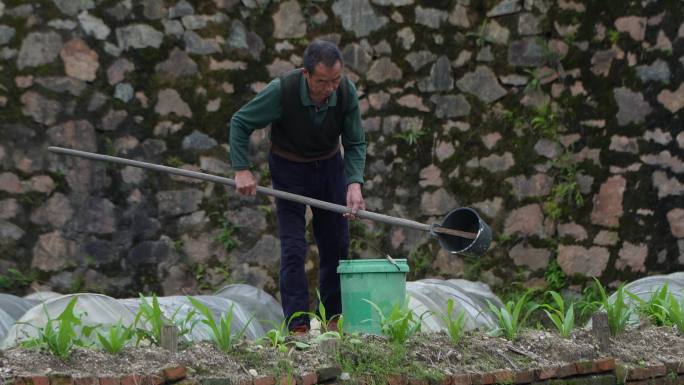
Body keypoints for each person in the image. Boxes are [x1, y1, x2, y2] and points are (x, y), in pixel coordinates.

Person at [229, 40, 367, 334]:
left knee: (337, 244)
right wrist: (242, 169)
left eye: (335, 80)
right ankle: (298, 326)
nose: (329, 88)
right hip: (289, 168)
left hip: (330, 168)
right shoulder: (283, 90)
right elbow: (240, 122)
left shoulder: (345, 92)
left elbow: (354, 142)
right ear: (306, 74)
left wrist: (354, 182)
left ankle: (332, 318)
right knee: (293, 248)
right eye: (322, 82)